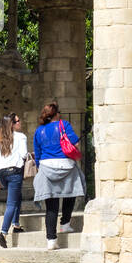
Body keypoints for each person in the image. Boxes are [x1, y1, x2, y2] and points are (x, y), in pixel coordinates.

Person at [31, 102, 86, 250]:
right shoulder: (64, 125)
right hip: (66, 165)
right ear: (56, 114)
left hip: (46, 167)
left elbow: (37, 152)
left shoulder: (39, 131)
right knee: (70, 194)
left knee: (51, 206)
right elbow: (75, 142)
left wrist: (39, 167)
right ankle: (65, 224)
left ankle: (51, 240)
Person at [0, 113, 28, 248]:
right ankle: (3, 232)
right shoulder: (20, 137)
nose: (20, 123)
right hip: (14, 173)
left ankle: (16, 224)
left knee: (17, 195)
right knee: (11, 203)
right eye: (17, 121)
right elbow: (24, 154)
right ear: (12, 124)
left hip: (1, 174)